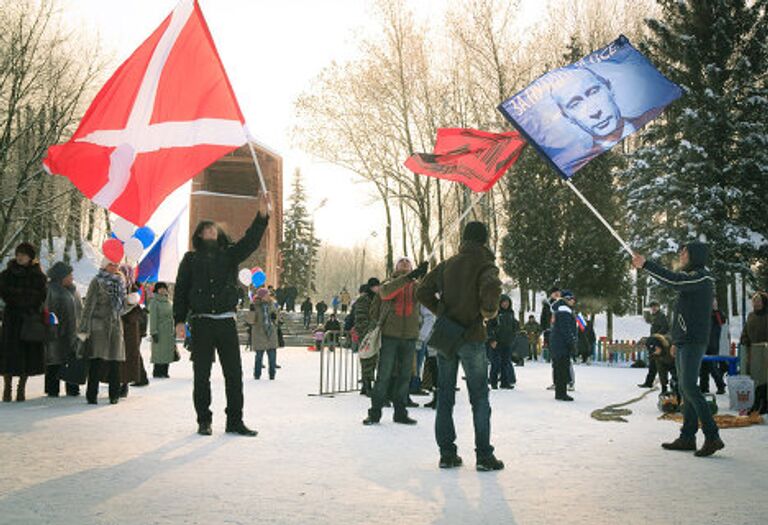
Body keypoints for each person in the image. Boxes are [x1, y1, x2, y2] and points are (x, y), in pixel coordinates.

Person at [174, 196, 269, 437]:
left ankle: (235, 420)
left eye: (213, 228)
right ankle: (203, 420)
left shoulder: (230, 255)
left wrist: (262, 216)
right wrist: (179, 320)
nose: (210, 231)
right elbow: (182, 290)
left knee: (234, 375)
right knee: (201, 375)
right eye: (205, 229)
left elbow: (251, 241)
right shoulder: (190, 259)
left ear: (218, 234)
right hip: (202, 322)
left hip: (226, 321)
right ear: (199, 235)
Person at [418, 222, 504, 471]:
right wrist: (488, 312)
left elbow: (422, 291)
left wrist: (442, 312)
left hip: (447, 336)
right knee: (479, 397)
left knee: (444, 395)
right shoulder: (486, 265)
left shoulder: (447, 264)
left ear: (464, 239)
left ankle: (447, 454)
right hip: (473, 336)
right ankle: (484, 456)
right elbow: (491, 287)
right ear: (484, 240)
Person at [632, 242, 724, 457]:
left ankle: (712, 436)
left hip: (694, 340)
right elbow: (682, 313)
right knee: (684, 389)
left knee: (689, 387)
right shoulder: (692, 278)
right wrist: (675, 341)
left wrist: (646, 265)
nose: (681, 254)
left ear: (696, 255)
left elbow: (674, 281)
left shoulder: (702, 277)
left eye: (685, 252)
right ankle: (687, 437)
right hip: (684, 341)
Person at [550, 67, 666, 173]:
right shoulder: (580, 165)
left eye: (594, 92)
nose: (595, 112)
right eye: (575, 104)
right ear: (567, 116)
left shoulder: (657, 117)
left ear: (609, 88)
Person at [362, 257, 427, 426]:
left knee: (405, 376)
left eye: (408, 262)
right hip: (390, 336)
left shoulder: (416, 286)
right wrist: (408, 278)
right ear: (396, 267)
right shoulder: (388, 283)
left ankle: (400, 412)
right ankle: (375, 413)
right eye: (401, 262)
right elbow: (385, 293)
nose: (405, 263)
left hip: (410, 337)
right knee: (384, 375)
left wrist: (423, 277)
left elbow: (426, 297)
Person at [0, 243, 48, 402]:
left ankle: (21, 388)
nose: (20, 257)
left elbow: (40, 296)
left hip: (29, 319)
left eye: (23, 254)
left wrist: (25, 300)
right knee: (9, 353)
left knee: (27, 354)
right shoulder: (7, 274)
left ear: (30, 257)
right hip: (12, 319)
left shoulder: (38, 276)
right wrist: (21, 298)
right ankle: (7, 387)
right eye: (18, 253)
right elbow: (5, 293)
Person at [79, 259, 126, 405]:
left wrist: (130, 302)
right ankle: (92, 394)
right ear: (104, 266)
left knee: (115, 362)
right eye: (111, 264)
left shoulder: (120, 282)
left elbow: (122, 308)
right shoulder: (97, 281)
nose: (115, 267)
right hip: (99, 325)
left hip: (116, 326)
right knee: (96, 361)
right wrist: (84, 327)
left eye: (116, 265)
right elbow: (88, 305)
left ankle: (114, 394)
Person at [44, 261, 82, 398]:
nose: (72, 277)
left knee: (72, 359)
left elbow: (80, 310)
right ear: (61, 276)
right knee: (54, 360)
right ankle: (52, 389)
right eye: (69, 274)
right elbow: (47, 309)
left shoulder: (74, 290)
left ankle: (73, 388)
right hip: (56, 331)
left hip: (73, 331)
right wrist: (52, 328)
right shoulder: (51, 290)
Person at [740, 291, 768, 414]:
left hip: (766, 350)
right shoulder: (751, 316)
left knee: (765, 377)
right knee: (757, 378)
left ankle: (765, 403)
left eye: (758, 301)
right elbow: (745, 331)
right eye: (754, 301)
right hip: (754, 350)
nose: (756, 304)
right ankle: (757, 402)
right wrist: (745, 340)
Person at [550, 290, 578, 401]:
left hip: (558, 344)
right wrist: (572, 343)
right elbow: (567, 330)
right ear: (566, 299)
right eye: (571, 299)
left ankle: (560, 392)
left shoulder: (561, 310)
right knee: (562, 369)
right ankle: (561, 393)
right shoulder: (564, 311)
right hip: (562, 345)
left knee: (559, 368)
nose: (573, 302)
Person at [354, 278, 380, 396]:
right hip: (366, 333)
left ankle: (367, 384)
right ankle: (367, 384)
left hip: (375, 332)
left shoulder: (378, 298)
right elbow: (360, 316)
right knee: (367, 359)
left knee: (373, 359)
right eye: (375, 286)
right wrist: (368, 330)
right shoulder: (363, 300)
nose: (377, 288)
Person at [486, 295, 518, 390]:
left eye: (507, 302)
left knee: (505, 363)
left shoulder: (511, 313)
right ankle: (493, 382)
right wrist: (492, 340)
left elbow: (514, 326)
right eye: (504, 302)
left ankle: (505, 382)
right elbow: (489, 328)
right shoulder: (495, 313)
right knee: (495, 363)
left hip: (507, 343)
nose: (506, 304)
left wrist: (513, 335)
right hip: (496, 342)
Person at [246, 287, 278, 380]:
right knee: (259, 356)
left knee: (272, 357)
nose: (268, 296)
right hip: (259, 333)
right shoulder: (255, 305)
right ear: (261, 296)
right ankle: (257, 374)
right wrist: (252, 312)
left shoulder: (272, 304)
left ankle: (272, 374)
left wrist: (275, 317)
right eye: (266, 294)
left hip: (271, 333)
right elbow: (250, 321)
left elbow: (277, 317)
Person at [638, 301, 670, 388]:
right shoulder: (655, 316)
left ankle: (663, 384)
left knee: (659, 364)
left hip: (659, 342)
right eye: (652, 307)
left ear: (658, 307)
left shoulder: (661, 316)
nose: (653, 308)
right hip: (654, 341)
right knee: (653, 364)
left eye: (655, 306)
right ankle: (649, 382)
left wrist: (656, 336)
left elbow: (665, 328)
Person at [700, 299, 726, 395]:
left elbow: (722, 321)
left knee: (712, 367)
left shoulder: (717, 314)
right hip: (703, 344)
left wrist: (716, 311)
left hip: (713, 344)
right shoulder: (702, 314)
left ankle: (721, 385)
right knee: (703, 367)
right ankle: (704, 387)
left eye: (714, 303)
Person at [149, 282, 176, 378]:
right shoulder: (154, 302)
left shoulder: (169, 301)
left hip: (169, 332)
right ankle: (157, 372)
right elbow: (153, 318)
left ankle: (165, 371)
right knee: (159, 352)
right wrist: (153, 332)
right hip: (159, 330)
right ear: (156, 290)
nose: (162, 290)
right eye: (160, 288)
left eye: (164, 288)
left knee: (167, 352)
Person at [540, 287, 561, 362]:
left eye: (558, 293)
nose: (556, 294)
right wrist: (543, 327)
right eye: (555, 293)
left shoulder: (561, 304)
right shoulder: (547, 305)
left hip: (559, 328)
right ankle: (548, 357)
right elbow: (543, 317)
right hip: (549, 328)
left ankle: (556, 357)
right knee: (549, 343)